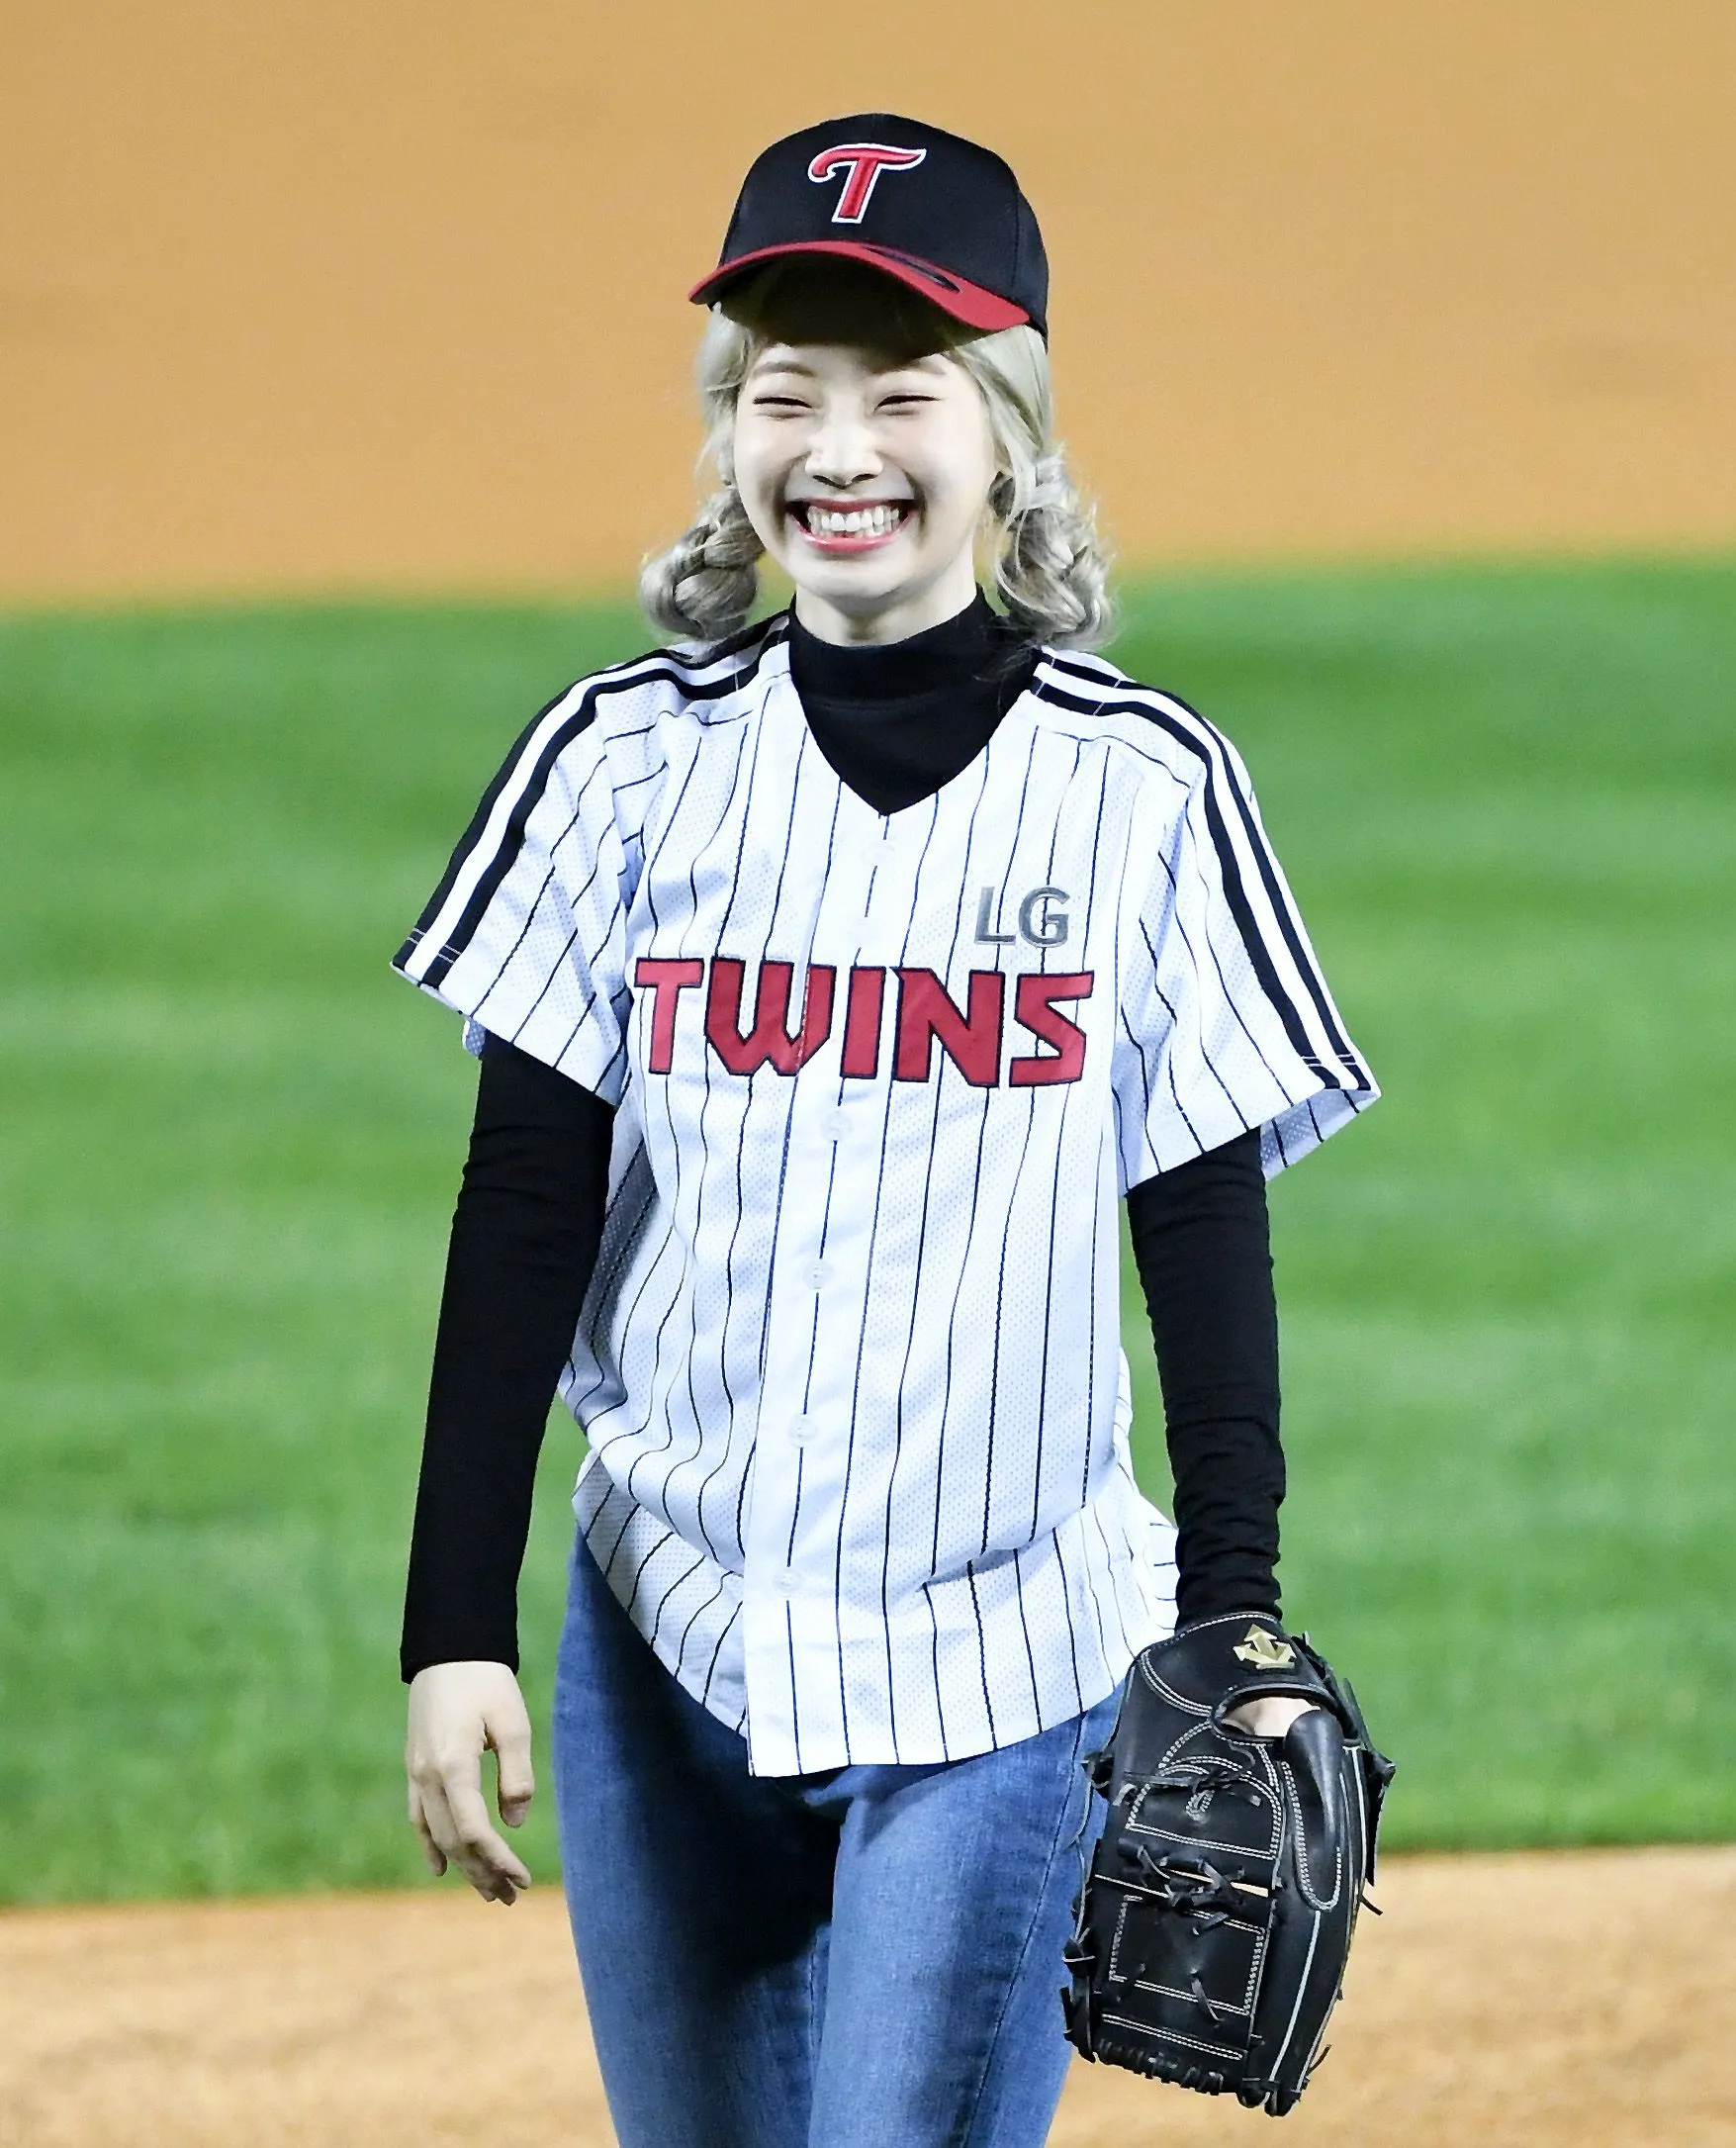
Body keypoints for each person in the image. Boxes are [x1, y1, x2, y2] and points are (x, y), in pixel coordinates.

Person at [393, 114, 1376, 2148]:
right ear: (728, 436)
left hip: (1000, 1672)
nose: (840, 447)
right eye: (784, 393)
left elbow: (1195, 1223)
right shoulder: (617, 766)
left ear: (1004, 428)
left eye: (900, 390)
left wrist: (1232, 1602)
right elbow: (521, 1203)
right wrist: (449, 1624)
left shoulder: (1142, 792)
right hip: (662, 1647)